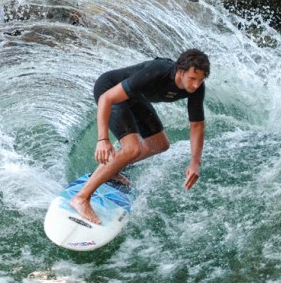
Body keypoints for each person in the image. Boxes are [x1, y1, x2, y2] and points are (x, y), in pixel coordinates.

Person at [69, 49, 210, 224]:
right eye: (192, 78)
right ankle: (81, 198)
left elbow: (197, 125)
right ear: (180, 71)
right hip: (110, 91)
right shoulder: (158, 71)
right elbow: (107, 98)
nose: (196, 85)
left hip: (135, 98)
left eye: (200, 80)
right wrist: (103, 139)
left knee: (160, 144)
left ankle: (112, 170)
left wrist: (195, 162)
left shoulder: (196, 89)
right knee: (132, 148)